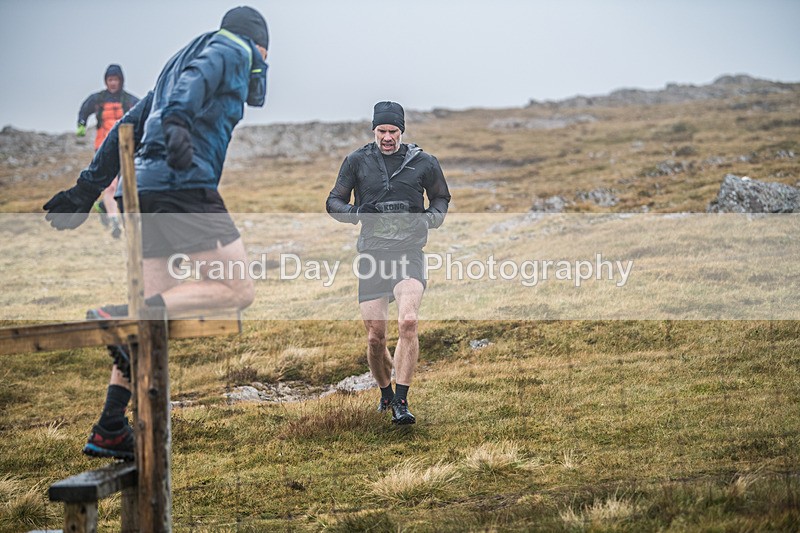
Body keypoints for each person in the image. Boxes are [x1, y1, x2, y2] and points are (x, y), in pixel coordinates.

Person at [43, 6, 270, 460]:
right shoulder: (232, 47)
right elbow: (189, 93)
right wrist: (180, 125)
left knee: (149, 326)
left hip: (141, 191)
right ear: (257, 40)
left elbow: (127, 128)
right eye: (268, 51)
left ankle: (110, 425)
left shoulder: (176, 63)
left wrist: (87, 189)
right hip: (183, 185)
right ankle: (123, 315)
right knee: (237, 288)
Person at [326, 101, 451, 425]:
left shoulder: (424, 162)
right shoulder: (356, 161)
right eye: (382, 130)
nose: (387, 137)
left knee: (408, 322)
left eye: (393, 131)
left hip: (409, 253)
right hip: (372, 257)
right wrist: (356, 214)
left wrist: (431, 220)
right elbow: (333, 201)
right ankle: (385, 392)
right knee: (374, 338)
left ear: (402, 131)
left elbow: (441, 197)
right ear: (374, 130)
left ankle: (402, 400)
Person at [77, 64, 140, 239]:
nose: (113, 83)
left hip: (125, 149)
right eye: (110, 79)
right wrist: (81, 123)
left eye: (116, 79)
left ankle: (105, 207)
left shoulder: (129, 100)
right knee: (111, 185)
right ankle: (114, 223)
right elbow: (84, 109)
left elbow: (143, 111)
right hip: (103, 149)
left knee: (125, 186)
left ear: (121, 81)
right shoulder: (98, 99)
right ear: (106, 81)